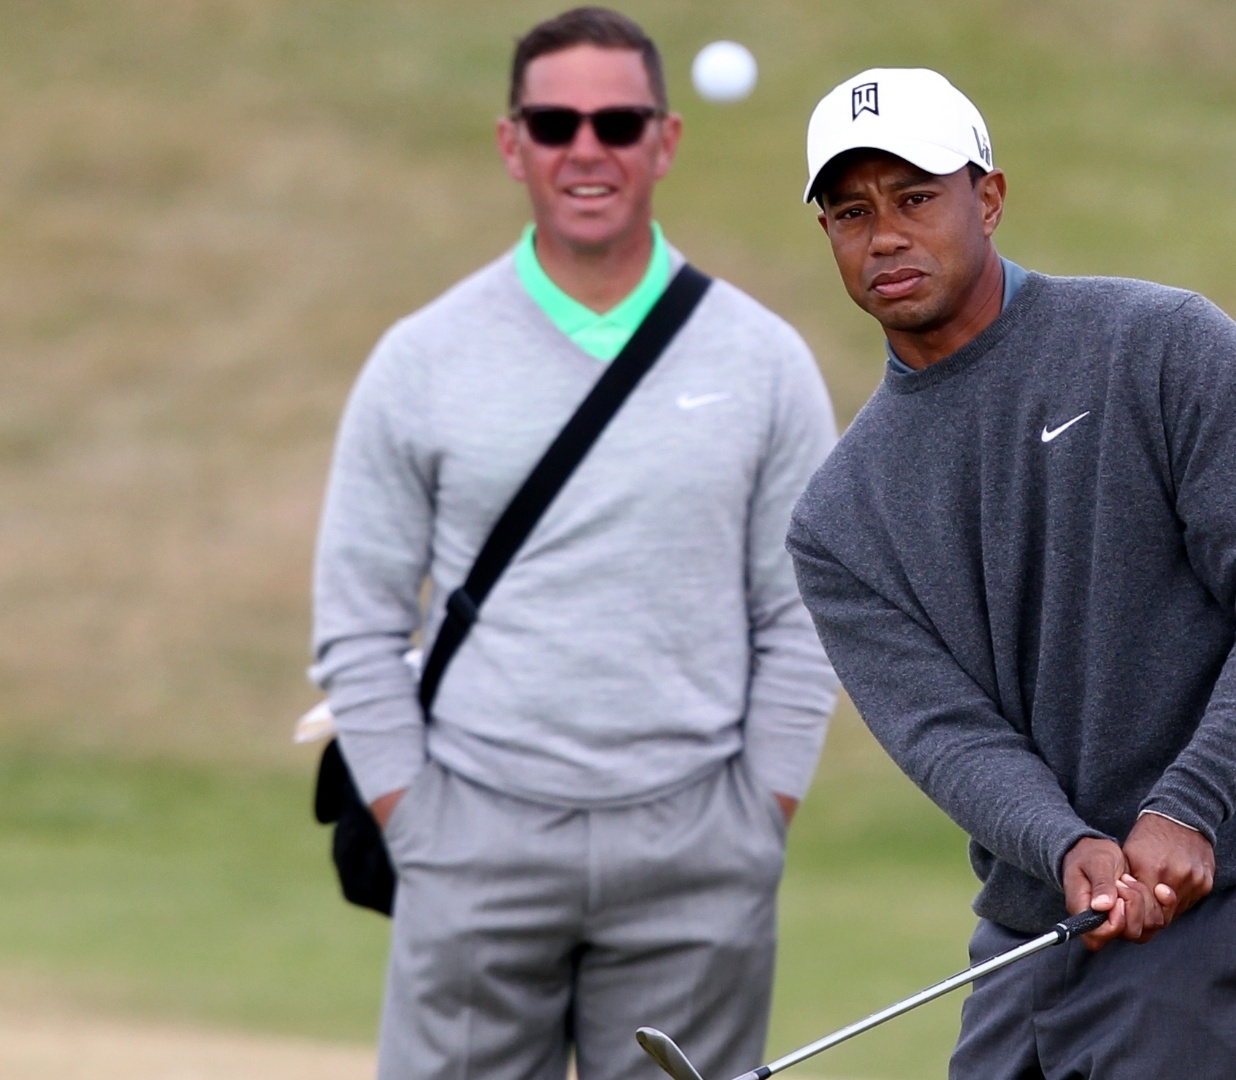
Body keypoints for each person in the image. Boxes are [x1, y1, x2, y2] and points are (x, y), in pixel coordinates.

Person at [785, 67, 1236, 1079]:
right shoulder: (839, 518)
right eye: (850, 211)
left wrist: (1191, 800)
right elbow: (944, 733)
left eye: (916, 198)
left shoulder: (1158, 347)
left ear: (990, 199)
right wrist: (1061, 847)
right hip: (1036, 932)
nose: (884, 236)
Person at [308, 8, 839, 1079]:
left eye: (616, 120)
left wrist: (757, 814)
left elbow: (805, 612)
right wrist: (417, 820)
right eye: (554, 122)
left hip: (699, 847)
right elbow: (357, 619)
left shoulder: (765, 362)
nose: (584, 147)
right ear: (513, 144)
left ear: (665, 139)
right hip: (471, 836)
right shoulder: (422, 359)